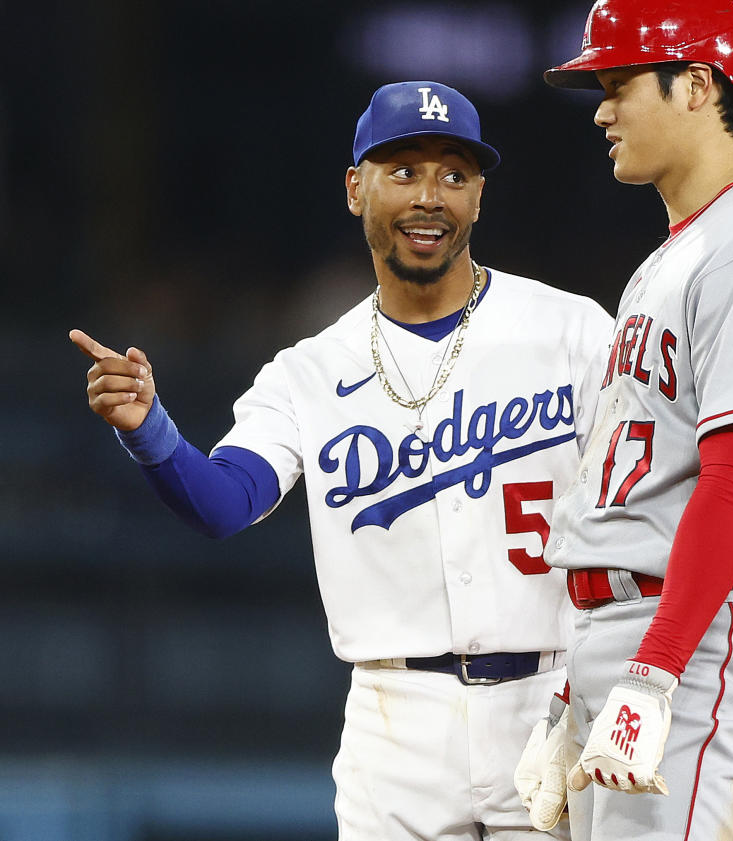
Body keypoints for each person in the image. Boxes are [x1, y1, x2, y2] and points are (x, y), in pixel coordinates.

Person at [70, 80, 614, 841]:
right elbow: (227, 502)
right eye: (404, 172)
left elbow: (643, 503)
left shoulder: (574, 331)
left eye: (455, 175)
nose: (431, 197)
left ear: (480, 197)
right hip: (397, 726)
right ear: (356, 188)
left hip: (554, 694)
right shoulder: (309, 370)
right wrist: (152, 431)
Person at [514, 0, 733, 841]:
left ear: (699, 86)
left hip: (699, 639)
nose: (602, 111)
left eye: (621, 83)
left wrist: (655, 672)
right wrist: (575, 684)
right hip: (633, 628)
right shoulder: (682, 252)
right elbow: (631, 490)